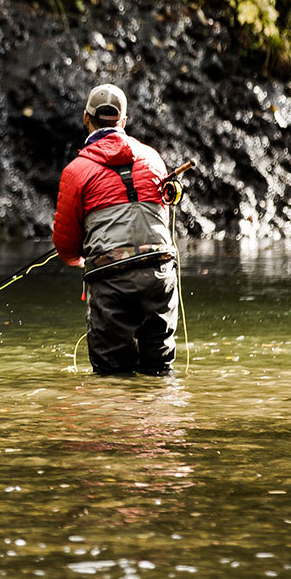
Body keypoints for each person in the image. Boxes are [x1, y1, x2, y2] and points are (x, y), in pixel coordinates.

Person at [51, 83, 179, 376]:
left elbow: (66, 244)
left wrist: (79, 260)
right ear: (124, 120)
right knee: (159, 371)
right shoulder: (153, 158)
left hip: (110, 279)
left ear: (86, 118)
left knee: (112, 375)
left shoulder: (76, 171)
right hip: (159, 275)